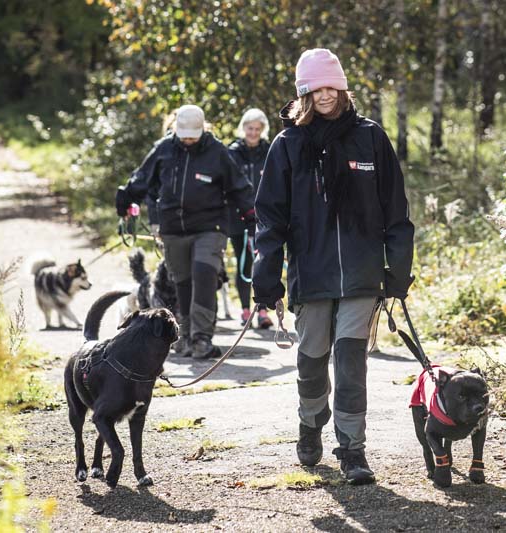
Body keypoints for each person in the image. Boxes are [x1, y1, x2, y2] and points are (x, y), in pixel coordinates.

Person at [252, 49, 414, 485]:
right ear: (303, 93)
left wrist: (398, 269)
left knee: (350, 361)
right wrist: (265, 275)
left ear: (342, 88)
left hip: (362, 274)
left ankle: (352, 448)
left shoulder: (370, 137)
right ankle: (310, 421)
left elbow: (395, 209)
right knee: (311, 361)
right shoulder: (287, 145)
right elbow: (270, 217)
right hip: (312, 273)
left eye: (331, 86)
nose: (325, 95)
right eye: (315, 88)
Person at [115, 104, 255, 359]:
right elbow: (142, 179)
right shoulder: (164, 149)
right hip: (173, 229)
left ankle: (201, 338)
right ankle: (184, 336)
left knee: (204, 275)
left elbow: (239, 188)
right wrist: (125, 200)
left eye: (193, 133)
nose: (189, 138)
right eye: (184, 133)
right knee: (181, 283)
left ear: (203, 129)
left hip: (209, 227)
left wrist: (253, 218)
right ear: (176, 129)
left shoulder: (217, 152)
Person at [226, 108, 273, 329]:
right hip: (239, 220)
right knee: (244, 265)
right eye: (249, 128)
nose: (253, 133)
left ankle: (263, 309)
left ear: (263, 130)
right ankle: (245, 310)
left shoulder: (270, 151)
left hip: (265, 220)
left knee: (264, 265)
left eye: (257, 129)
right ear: (243, 128)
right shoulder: (232, 153)